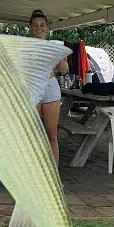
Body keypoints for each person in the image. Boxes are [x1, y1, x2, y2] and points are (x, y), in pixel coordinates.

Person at [28, 9, 69, 165]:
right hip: (32, 89)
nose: (39, 28)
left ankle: (54, 177)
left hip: (51, 89)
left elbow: (64, 70)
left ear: (47, 28)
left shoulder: (55, 45)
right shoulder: (25, 46)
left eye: (42, 25)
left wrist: (61, 60)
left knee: (52, 134)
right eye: (36, 25)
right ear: (30, 27)